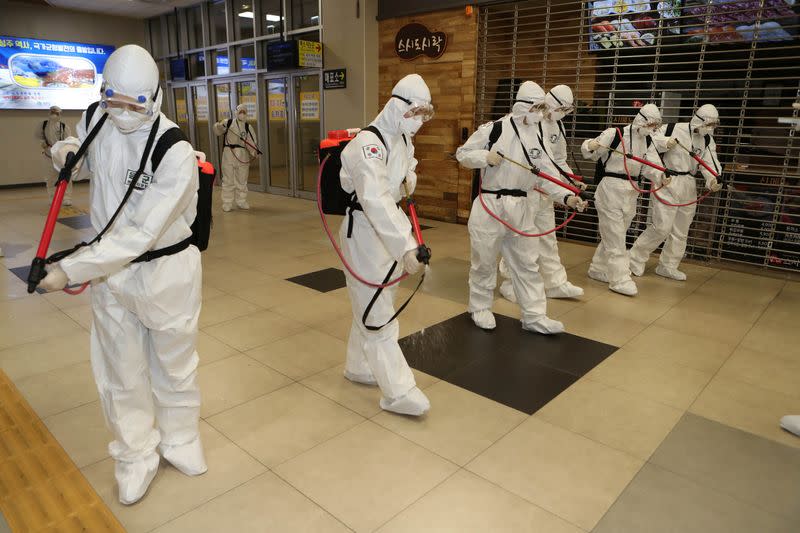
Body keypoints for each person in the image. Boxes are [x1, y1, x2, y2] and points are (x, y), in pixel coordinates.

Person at [40, 44, 206, 505]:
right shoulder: (98, 117)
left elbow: (139, 236)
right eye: (114, 101)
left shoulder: (175, 152)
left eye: (136, 105)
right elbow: (86, 153)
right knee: (121, 368)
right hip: (109, 277)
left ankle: (180, 438)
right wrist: (68, 150)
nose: (124, 113)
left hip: (165, 272)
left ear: (155, 96)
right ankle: (136, 454)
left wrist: (68, 268)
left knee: (174, 365)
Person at [457, 81, 587, 333]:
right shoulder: (494, 129)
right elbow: (463, 153)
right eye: (536, 107)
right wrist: (485, 157)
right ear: (521, 106)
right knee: (484, 262)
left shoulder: (538, 134)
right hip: (491, 205)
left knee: (528, 263)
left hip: (524, 207)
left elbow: (547, 173)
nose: (540, 114)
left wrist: (567, 197)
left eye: (542, 108)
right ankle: (480, 307)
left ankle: (534, 316)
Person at [338, 74, 433, 416]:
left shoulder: (403, 139)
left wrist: (409, 179)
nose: (421, 121)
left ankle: (360, 366)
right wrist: (406, 247)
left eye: (426, 114)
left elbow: (403, 179)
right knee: (378, 313)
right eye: (417, 112)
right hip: (364, 231)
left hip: (388, 226)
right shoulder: (369, 143)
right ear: (398, 106)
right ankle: (399, 391)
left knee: (375, 298)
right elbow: (375, 198)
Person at [498, 84, 585, 303]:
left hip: (546, 192)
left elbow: (558, 161)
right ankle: (510, 283)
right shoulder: (525, 121)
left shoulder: (558, 127)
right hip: (524, 190)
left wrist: (571, 181)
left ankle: (555, 282)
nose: (562, 113)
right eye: (561, 108)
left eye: (567, 110)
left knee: (548, 237)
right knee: (518, 237)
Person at [628, 104, 722, 280]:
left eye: (713, 125)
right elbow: (649, 140)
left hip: (689, 183)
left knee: (681, 229)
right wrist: (666, 142)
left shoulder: (707, 139)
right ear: (698, 120)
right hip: (668, 179)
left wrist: (713, 180)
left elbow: (710, 162)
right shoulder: (672, 129)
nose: (709, 129)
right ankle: (634, 260)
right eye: (707, 124)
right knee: (661, 227)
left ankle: (668, 265)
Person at [581, 103, 667, 296]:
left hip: (631, 193)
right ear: (641, 120)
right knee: (617, 237)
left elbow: (652, 165)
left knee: (614, 235)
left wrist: (662, 176)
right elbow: (590, 151)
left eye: (656, 125)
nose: (653, 129)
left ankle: (598, 268)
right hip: (611, 189)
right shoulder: (615, 133)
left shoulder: (647, 141)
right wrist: (590, 145)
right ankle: (620, 279)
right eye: (651, 124)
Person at [214, 104, 258, 212]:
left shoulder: (248, 127)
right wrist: (219, 126)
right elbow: (218, 131)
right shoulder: (228, 122)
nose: (242, 114)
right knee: (228, 179)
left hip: (242, 154)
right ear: (236, 112)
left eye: (244, 112)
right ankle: (227, 202)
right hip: (229, 153)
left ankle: (241, 201)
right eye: (240, 112)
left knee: (242, 179)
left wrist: (254, 151)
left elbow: (251, 142)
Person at [39, 105, 74, 206]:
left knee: (65, 176)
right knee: (50, 178)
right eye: (52, 112)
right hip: (48, 156)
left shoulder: (64, 126)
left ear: (60, 114)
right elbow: (40, 137)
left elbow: (69, 140)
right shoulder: (44, 125)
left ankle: (67, 198)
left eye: (56, 113)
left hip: (61, 156)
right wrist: (43, 143)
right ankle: (52, 197)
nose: (54, 115)